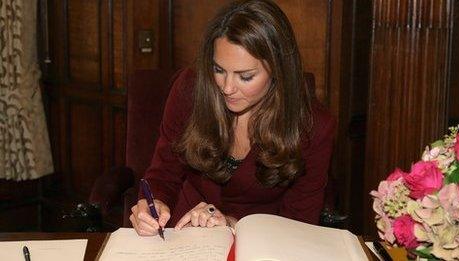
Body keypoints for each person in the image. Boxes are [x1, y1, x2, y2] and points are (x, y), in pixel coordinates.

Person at [130, 0, 335, 236]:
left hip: (261, 244)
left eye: (245, 76)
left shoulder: (313, 127)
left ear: (278, 71)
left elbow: (300, 225)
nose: (227, 88)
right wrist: (153, 203)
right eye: (218, 70)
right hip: (184, 236)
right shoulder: (190, 90)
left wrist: (231, 224)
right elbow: (164, 172)